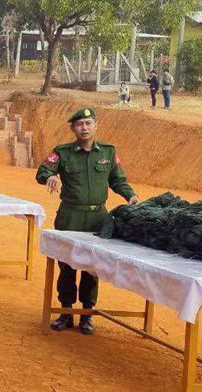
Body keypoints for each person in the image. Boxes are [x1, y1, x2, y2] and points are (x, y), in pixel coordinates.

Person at [36, 107, 138, 336]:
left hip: (97, 219)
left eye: (88, 123)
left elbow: (118, 180)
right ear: (72, 128)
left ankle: (87, 315)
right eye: (79, 124)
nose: (84, 128)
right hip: (70, 216)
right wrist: (50, 176)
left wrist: (131, 195)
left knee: (92, 267)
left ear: (95, 126)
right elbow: (43, 170)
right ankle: (65, 312)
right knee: (67, 265)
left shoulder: (109, 153)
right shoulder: (63, 153)